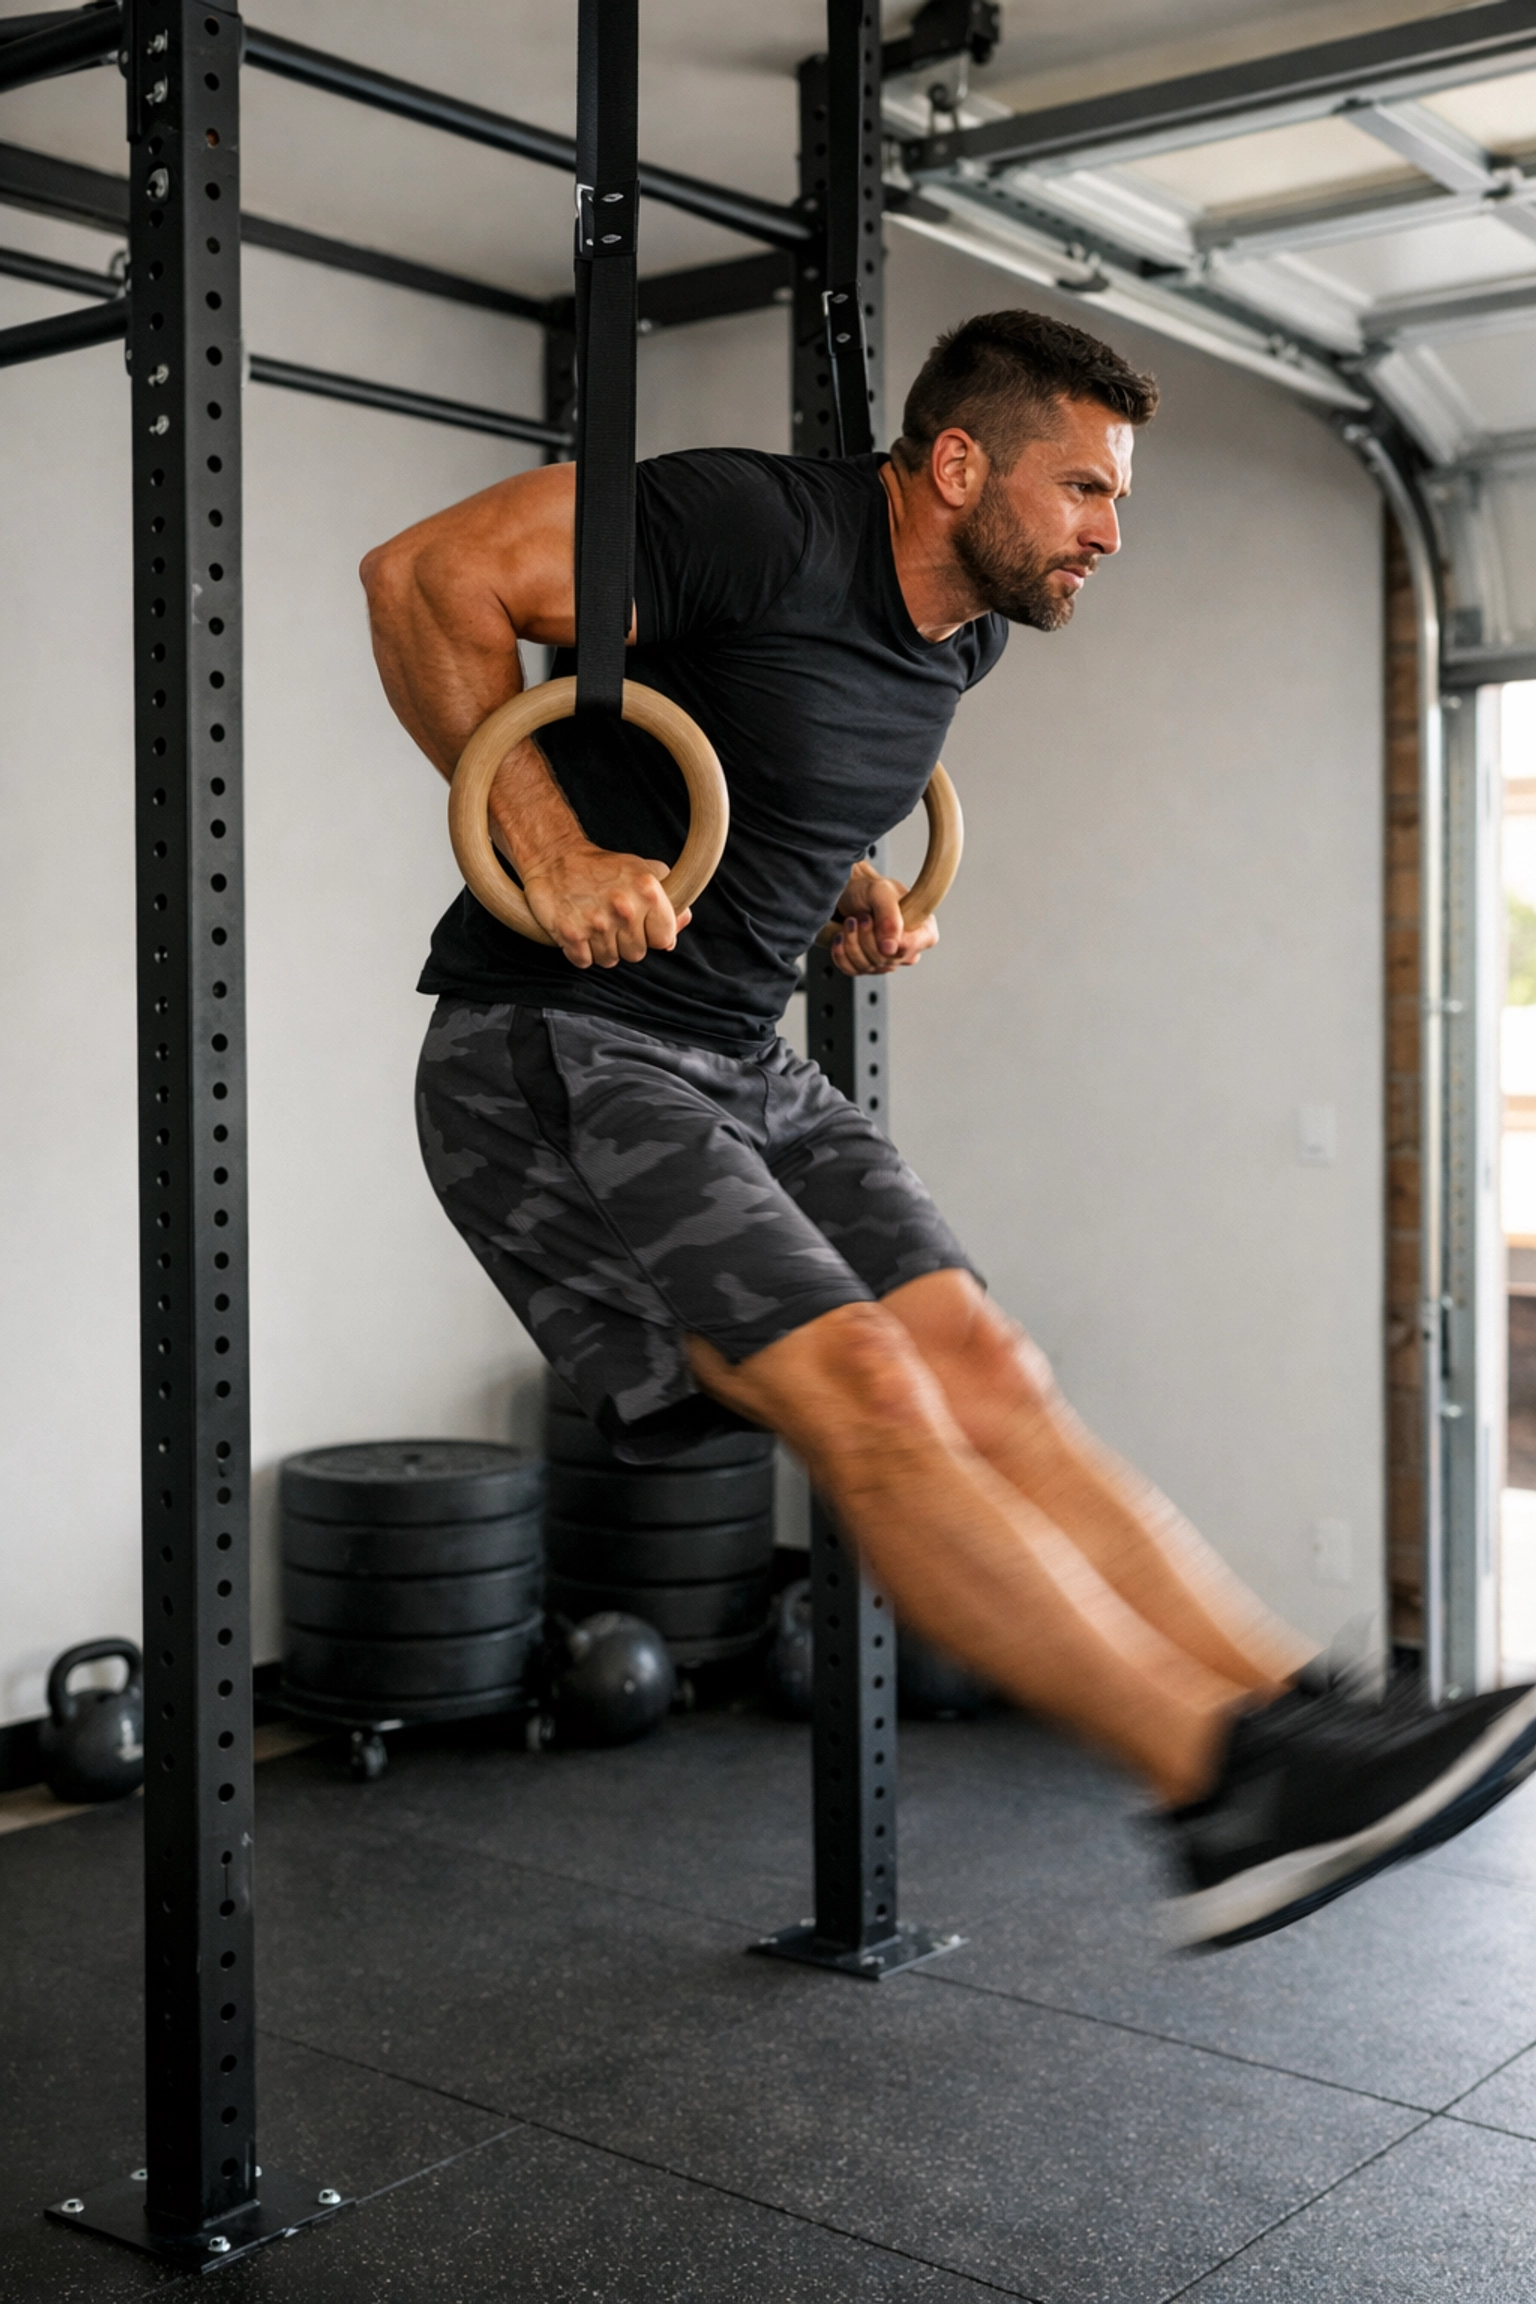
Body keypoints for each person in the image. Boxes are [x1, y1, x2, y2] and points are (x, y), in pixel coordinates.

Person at [362, 308, 1536, 1949]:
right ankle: (1218, 1789)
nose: (1110, 533)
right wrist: (550, 855)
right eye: (1083, 491)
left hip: (737, 1053)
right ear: (960, 463)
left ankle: (1303, 1714)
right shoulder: (759, 524)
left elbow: (765, 758)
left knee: (990, 1370)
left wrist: (840, 884)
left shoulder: (963, 638)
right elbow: (424, 577)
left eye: (1118, 500)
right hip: (558, 1047)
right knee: (870, 1390)